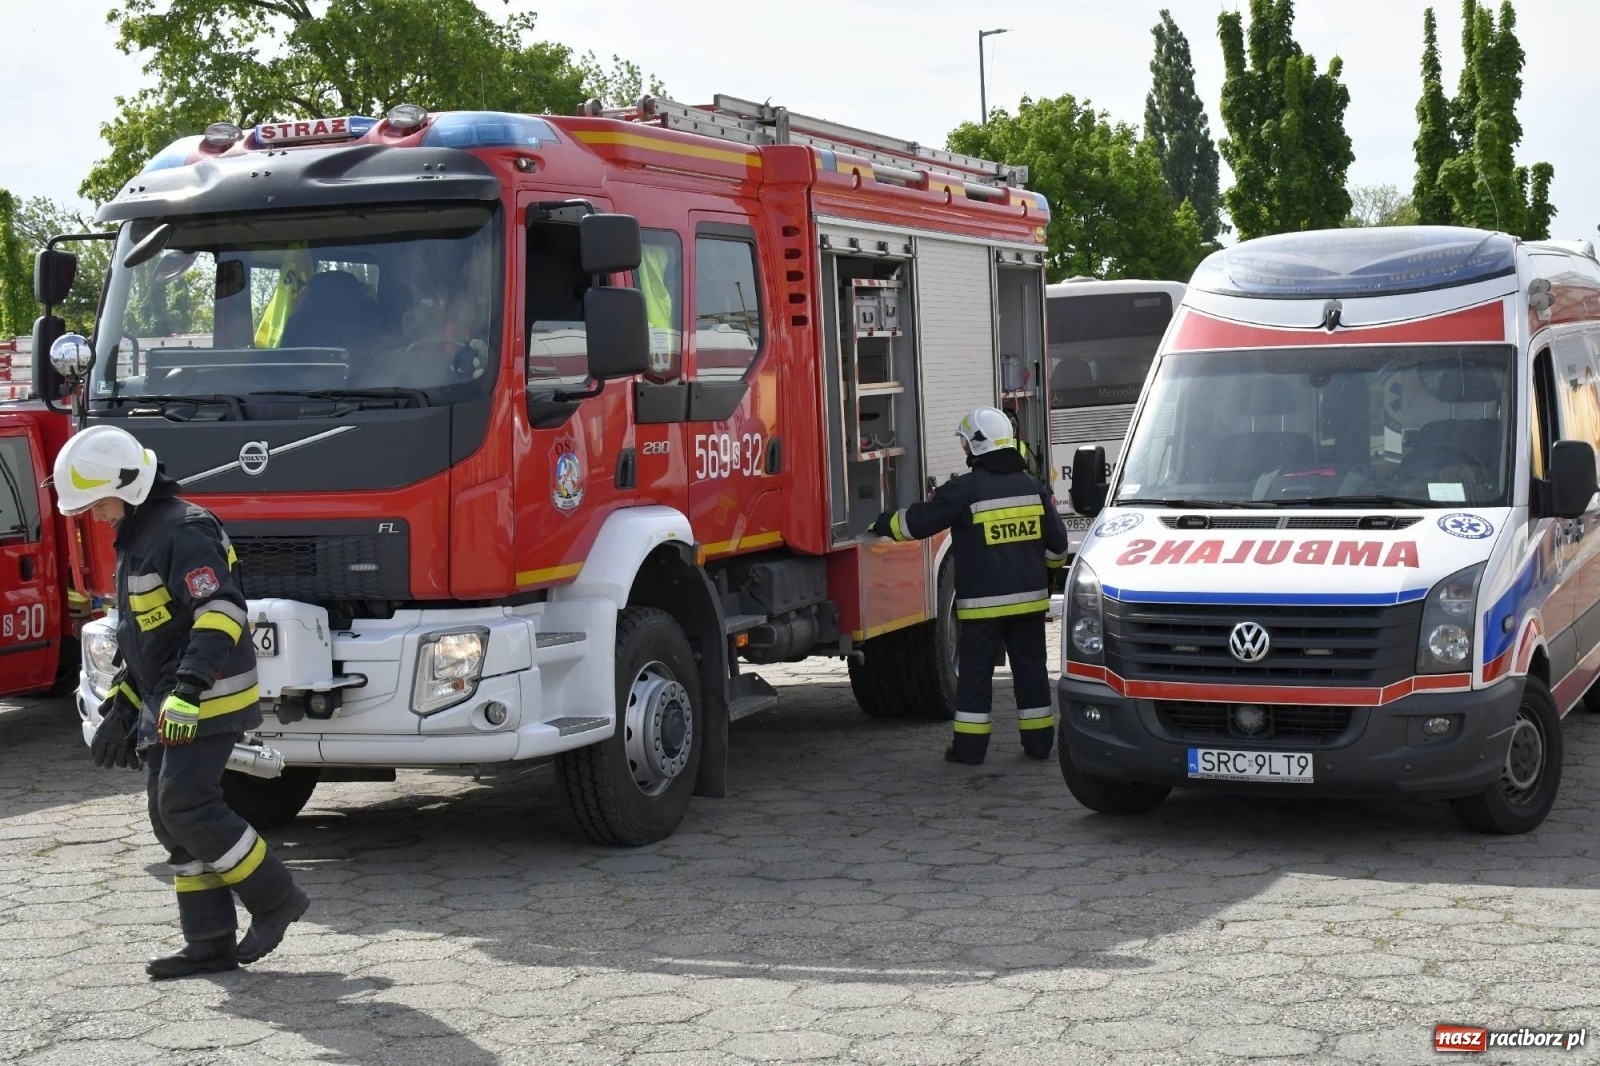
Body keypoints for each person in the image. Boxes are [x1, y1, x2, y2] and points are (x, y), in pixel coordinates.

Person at [50, 425, 309, 979]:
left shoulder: (183, 531)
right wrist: (124, 699)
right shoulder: (140, 535)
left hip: (204, 697)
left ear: (130, 484)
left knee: (187, 806)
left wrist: (188, 691)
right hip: (168, 699)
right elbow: (149, 634)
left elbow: (221, 612)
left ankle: (276, 898)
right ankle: (210, 942)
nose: (95, 515)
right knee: (170, 820)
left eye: (98, 502)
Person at [870, 407, 1069, 764]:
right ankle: (1039, 744)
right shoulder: (1033, 487)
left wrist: (881, 521)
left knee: (975, 678)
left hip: (983, 608)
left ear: (977, 445)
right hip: (1029, 605)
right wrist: (1048, 573)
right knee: (1032, 673)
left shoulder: (964, 490)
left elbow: (916, 524)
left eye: (965, 442)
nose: (963, 449)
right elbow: (1057, 545)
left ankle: (970, 750)